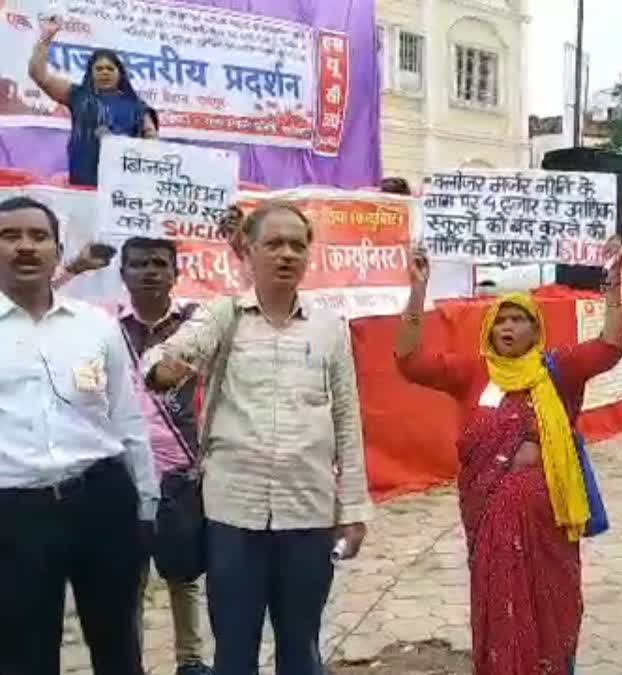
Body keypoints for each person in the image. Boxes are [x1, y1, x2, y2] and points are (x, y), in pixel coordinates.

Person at [143, 202, 372, 675]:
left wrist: (352, 511)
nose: (287, 254)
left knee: (301, 648)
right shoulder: (223, 315)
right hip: (233, 517)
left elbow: (347, 422)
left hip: (307, 513)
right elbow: (169, 357)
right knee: (234, 651)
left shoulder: (330, 329)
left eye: (297, 244)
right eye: (274, 244)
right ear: (248, 250)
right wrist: (166, 369)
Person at [394, 242, 622, 675]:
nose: (508, 326)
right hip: (488, 521)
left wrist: (612, 287)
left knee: (552, 610)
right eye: (500, 318)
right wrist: (417, 290)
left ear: (536, 331)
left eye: (519, 319)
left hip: (549, 524)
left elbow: (609, 348)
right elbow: (409, 361)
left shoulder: (558, 370)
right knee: (500, 609)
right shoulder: (472, 372)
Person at [0, 196, 159, 675]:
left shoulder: (97, 327)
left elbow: (128, 420)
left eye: (38, 236)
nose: (26, 247)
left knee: (118, 643)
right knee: (21, 650)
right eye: (10, 236)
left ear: (57, 249)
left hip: (101, 499)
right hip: (14, 512)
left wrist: (146, 503)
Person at [56, 236, 213, 675]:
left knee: (183, 573)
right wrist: (75, 268)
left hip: (182, 468)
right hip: (121, 471)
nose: (149, 271)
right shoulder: (102, 322)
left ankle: (191, 660)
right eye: (138, 264)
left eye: (159, 263)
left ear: (175, 274)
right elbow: (39, 303)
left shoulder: (198, 323)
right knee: (129, 577)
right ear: (122, 273)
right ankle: (132, 663)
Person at [28, 17, 154, 186]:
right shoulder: (79, 96)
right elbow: (39, 75)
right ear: (91, 73)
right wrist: (46, 38)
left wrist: (117, 144)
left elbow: (152, 144)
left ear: (120, 73)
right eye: (99, 68)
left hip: (123, 187)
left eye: (110, 68)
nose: (104, 72)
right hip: (83, 183)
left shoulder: (137, 106)